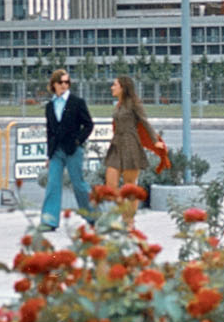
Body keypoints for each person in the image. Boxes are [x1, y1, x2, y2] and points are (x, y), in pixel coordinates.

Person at [38, 68, 93, 232]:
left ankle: (94, 216)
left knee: (79, 184)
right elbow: (50, 131)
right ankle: (49, 220)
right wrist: (49, 154)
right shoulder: (50, 106)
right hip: (56, 151)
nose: (64, 85)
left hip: (72, 150)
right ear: (54, 84)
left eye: (67, 82)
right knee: (53, 184)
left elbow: (89, 125)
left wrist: (78, 141)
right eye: (61, 82)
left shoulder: (77, 103)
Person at [103, 75, 168, 191]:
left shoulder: (134, 104)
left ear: (123, 87)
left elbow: (145, 122)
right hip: (116, 145)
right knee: (110, 185)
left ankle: (129, 209)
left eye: (115, 85)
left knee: (130, 186)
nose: (111, 88)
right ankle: (120, 208)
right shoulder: (118, 105)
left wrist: (155, 141)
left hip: (130, 145)